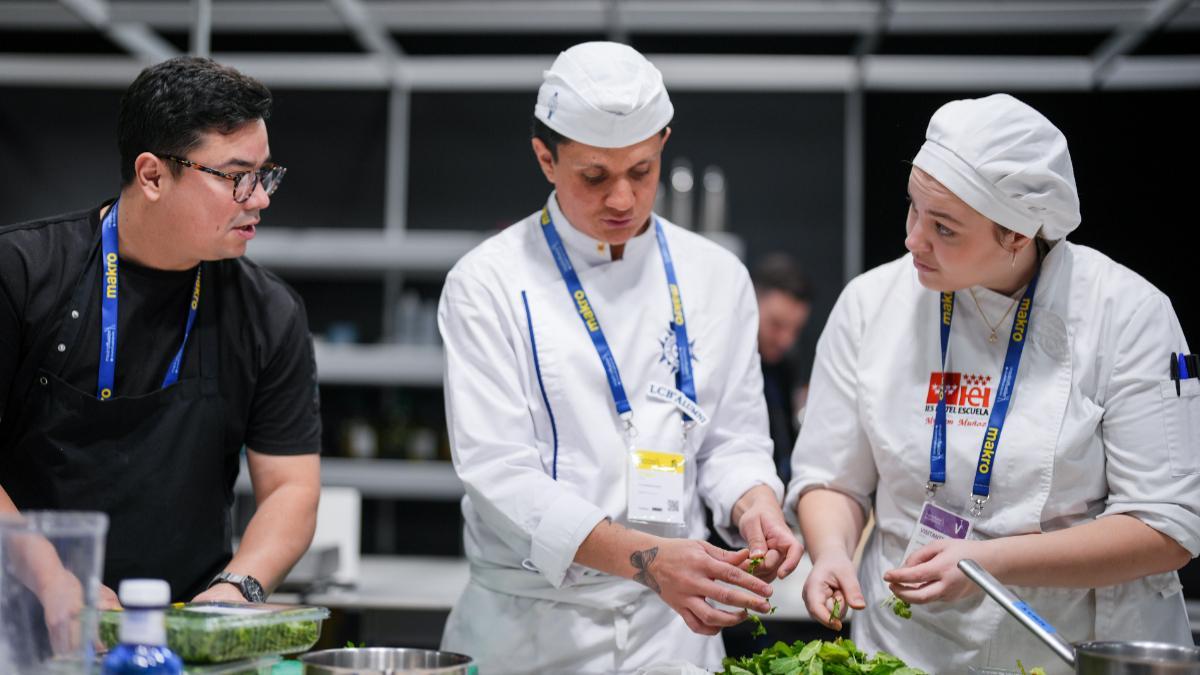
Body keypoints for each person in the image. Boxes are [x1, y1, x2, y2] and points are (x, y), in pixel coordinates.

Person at [788, 93, 1199, 674]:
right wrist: (831, 551)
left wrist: (989, 562)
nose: (912, 240)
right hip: (904, 652)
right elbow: (832, 478)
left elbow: (1166, 527)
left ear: (1017, 235)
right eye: (912, 210)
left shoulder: (1124, 314)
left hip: (1071, 650)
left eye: (944, 228)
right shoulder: (871, 305)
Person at [437, 41, 800, 674]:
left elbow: (732, 442)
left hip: (673, 632)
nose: (623, 200)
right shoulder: (487, 282)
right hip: (532, 630)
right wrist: (648, 559)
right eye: (595, 176)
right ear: (545, 158)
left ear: (662, 144)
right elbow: (500, 473)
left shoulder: (716, 276)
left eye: (642, 171)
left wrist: (754, 506)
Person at [0, 57, 322, 616]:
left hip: (181, 626)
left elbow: (291, 486)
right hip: (18, 615)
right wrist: (52, 578)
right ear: (152, 175)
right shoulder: (22, 274)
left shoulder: (269, 312)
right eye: (237, 176)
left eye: (265, 174)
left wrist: (235, 590)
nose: (261, 197)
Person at [751, 253, 812, 484]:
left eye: (795, 330)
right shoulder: (726, 363)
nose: (785, 340)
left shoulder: (786, 364)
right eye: (776, 325)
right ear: (751, 302)